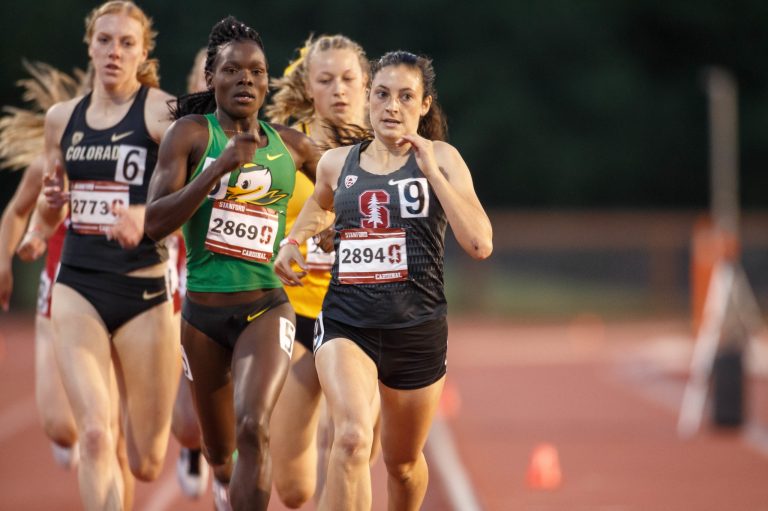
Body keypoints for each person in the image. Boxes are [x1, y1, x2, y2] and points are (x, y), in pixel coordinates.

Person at [274, 50, 493, 510]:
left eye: (405, 96)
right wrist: (293, 241)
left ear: (425, 105)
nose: (392, 106)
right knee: (351, 438)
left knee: (402, 464)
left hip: (416, 330)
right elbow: (321, 202)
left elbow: (480, 244)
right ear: (369, 98)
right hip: (346, 324)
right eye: (382, 94)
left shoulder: (445, 161)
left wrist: (432, 169)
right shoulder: (338, 162)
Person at [144, 16, 320, 511]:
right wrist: (218, 169)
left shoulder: (293, 146)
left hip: (266, 307)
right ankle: (222, 481)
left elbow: (339, 188)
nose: (246, 79)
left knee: (253, 427)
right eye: (232, 70)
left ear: (268, 82)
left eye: (257, 71)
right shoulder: (190, 136)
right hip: (201, 315)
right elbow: (155, 223)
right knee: (220, 453)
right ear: (211, 79)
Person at [39, 2, 180, 509]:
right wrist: (46, 212)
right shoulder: (62, 119)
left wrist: (148, 213)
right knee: (96, 434)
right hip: (78, 284)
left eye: (126, 42)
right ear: (90, 45)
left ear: (143, 51)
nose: (114, 51)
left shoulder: (164, 112)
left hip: (143, 289)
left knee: (146, 459)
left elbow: (205, 187)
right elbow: (50, 199)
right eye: (104, 40)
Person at [264, 34, 381, 508]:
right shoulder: (281, 148)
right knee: (293, 489)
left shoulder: (387, 149)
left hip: (360, 316)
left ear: (367, 83)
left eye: (349, 79)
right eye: (326, 80)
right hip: (293, 315)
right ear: (308, 88)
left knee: (352, 443)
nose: (339, 90)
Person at [172, 46, 210, 500]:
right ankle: (192, 448)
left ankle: (227, 465)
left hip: (240, 274)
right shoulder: (176, 133)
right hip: (180, 272)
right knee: (186, 419)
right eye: (203, 73)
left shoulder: (254, 131)